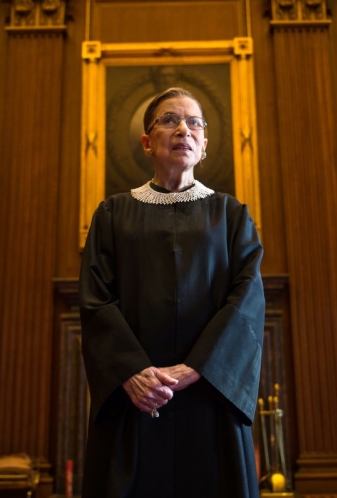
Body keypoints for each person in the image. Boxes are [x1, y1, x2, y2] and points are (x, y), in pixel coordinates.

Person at [79, 87, 265, 498]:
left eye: (194, 122)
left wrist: (197, 366)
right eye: (169, 120)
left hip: (210, 395)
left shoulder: (231, 215)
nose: (184, 128)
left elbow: (246, 301)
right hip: (137, 396)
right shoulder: (112, 214)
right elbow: (95, 301)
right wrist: (131, 372)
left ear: (203, 146)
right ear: (147, 142)